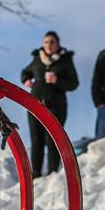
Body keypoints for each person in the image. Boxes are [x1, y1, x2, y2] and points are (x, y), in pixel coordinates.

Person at [20, 31, 79, 177]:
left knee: (52, 140)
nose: (49, 45)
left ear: (58, 44)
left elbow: (74, 83)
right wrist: (26, 80)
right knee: (36, 141)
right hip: (35, 106)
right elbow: (25, 72)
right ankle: (36, 175)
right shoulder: (37, 59)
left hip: (56, 106)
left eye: (52, 42)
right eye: (46, 42)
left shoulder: (65, 60)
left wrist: (57, 81)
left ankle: (53, 174)